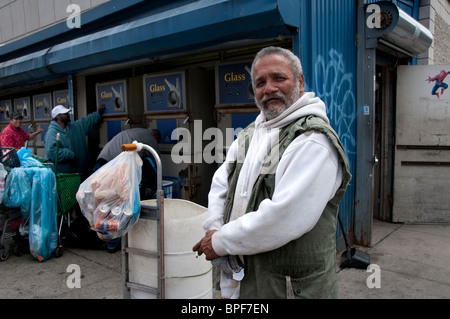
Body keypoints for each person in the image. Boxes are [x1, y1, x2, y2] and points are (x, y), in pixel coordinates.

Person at [193, 47, 352, 299]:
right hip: (247, 282)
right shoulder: (249, 135)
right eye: (260, 82)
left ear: (299, 82)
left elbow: (284, 216)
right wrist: (213, 228)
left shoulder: (313, 140)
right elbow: (221, 184)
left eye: (278, 78)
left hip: (290, 287)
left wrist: (220, 242)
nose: (268, 88)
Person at [44, 104, 105, 180]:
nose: (68, 115)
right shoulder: (52, 133)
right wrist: (70, 155)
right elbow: (52, 152)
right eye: (65, 114)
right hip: (64, 176)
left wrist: (98, 114)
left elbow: (86, 122)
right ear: (57, 117)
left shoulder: (73, 127)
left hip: (79, 173)